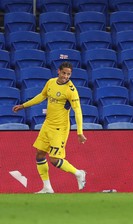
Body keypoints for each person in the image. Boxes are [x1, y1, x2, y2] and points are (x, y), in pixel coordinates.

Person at [12, 62, 87, 194]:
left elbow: (78, 111)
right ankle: (47, 187)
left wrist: (80, 132)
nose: (65, 76)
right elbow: (41, 96)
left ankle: (79, 173)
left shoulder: (71, 90)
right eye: (64, 73)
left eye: (68, 74)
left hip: (60, 128)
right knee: (40, 154)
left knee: (54, 159)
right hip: (47, 125)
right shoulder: (51, 82)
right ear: (58, 71)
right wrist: (23, 105)